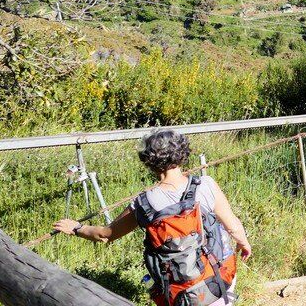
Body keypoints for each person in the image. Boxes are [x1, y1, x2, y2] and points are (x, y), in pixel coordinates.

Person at [54, 130, 252, 305]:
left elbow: (105, 235)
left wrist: (76, 228)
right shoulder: (206, 185)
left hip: (181, 291)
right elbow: (233, 226)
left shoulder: (144, 203)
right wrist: (244, 244)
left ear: (149, 162)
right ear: (182, 154)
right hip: (218, 278)